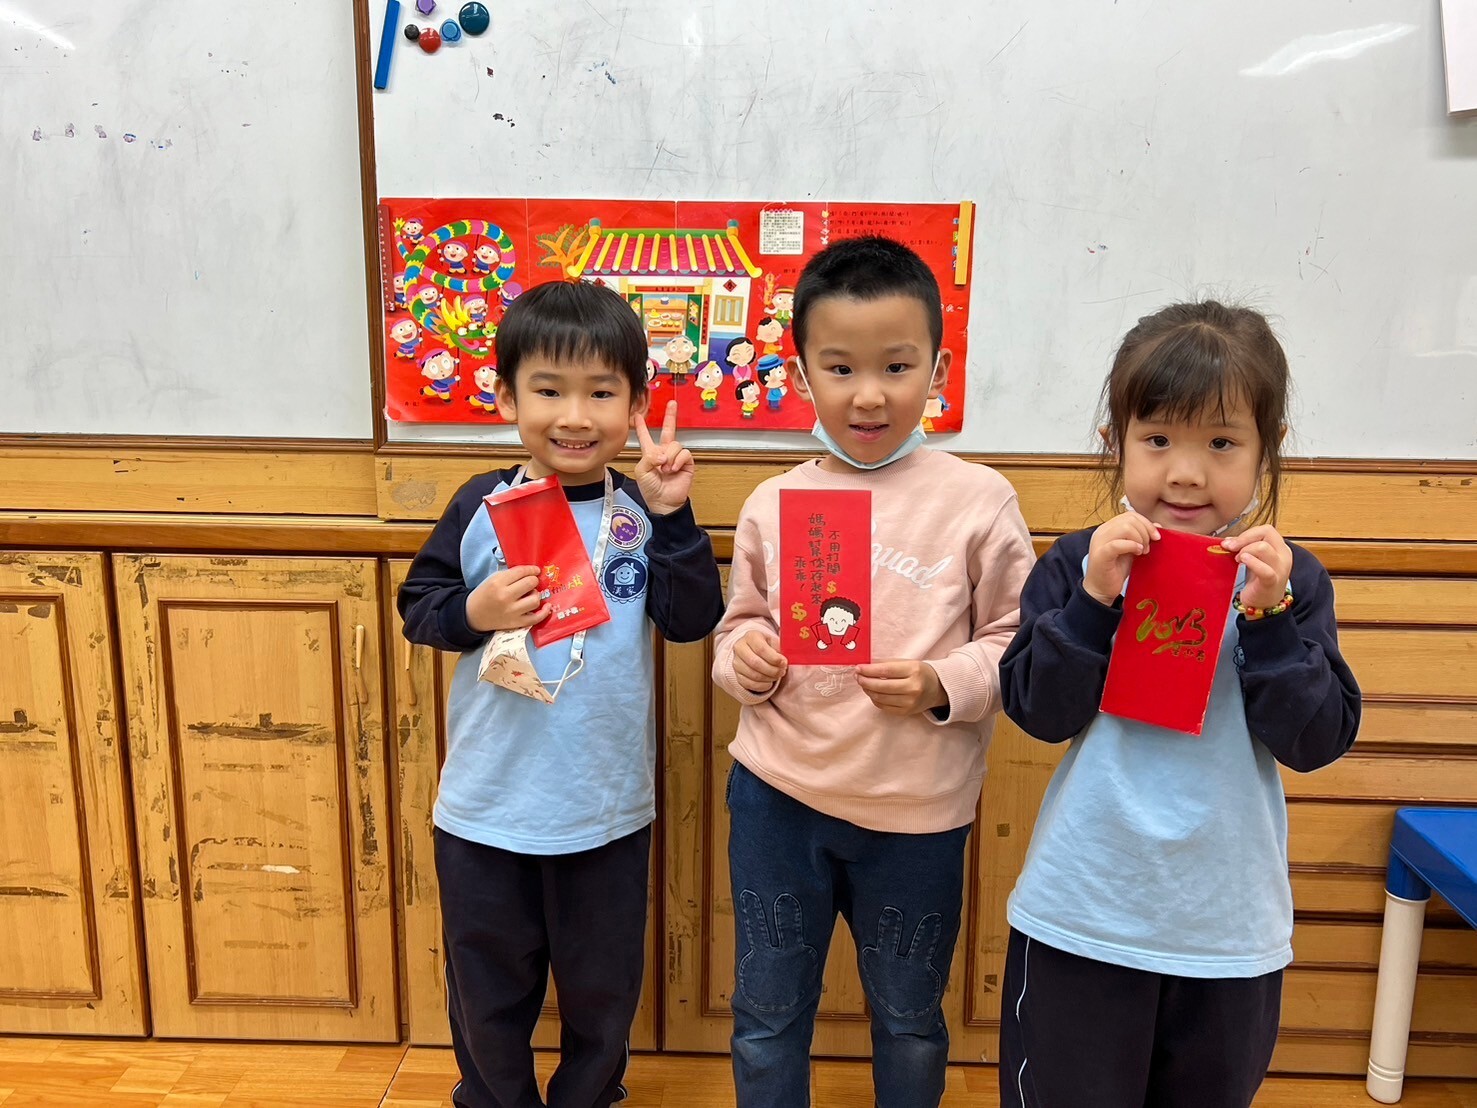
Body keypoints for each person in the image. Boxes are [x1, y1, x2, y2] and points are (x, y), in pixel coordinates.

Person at [997, 300, 1361, 1108]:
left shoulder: (1288, 581)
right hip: (1083, 917)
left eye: (1221, 443)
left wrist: (1268, 619)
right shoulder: (1079, 564)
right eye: (1157, 440)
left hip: (1225, 933)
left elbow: (1315, 741)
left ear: (1267, 452)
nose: (1186, 473)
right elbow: (1035, 712)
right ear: (1115, 443)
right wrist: (1093, 601)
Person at [711, 236, 1034, 1108]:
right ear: (800, 373)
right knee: (766, 1012)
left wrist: (941, 684)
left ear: (937, 369)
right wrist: (745, 661)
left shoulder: (978, 499)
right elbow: (739, 626)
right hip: (778, 795)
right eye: (839, 367)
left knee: (909, 1018)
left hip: (916, 811)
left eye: (896, 365)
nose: (868, 394)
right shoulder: (773, 502)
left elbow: (1017, 639)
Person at [399, 279, 724, 1108]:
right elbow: (419, 608)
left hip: (604, 810)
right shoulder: (480, 504)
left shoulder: (642, 512)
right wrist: (475, 611)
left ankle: (589, 1097)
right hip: (485, 809)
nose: (575, 416)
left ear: (637, 404)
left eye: (601, 393)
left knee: (602, 991)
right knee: (486, 989)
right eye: (548, 390)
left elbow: (691, 620)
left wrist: (675, 518)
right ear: (507, 397)